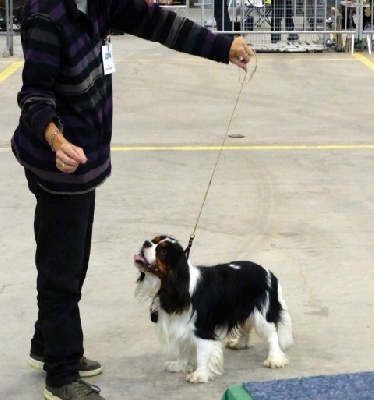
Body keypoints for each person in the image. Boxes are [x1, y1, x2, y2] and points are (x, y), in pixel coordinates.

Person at [10, 0, 254, 399]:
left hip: (83, 158)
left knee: (72, 260)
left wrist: (219, 46)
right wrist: (56, 140)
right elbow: (34, 96)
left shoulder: (102, 3)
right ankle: (61, 373)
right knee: (62, 271)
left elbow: (159, 22)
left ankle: (46, 346)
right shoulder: (45, 16)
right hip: (57, 164)